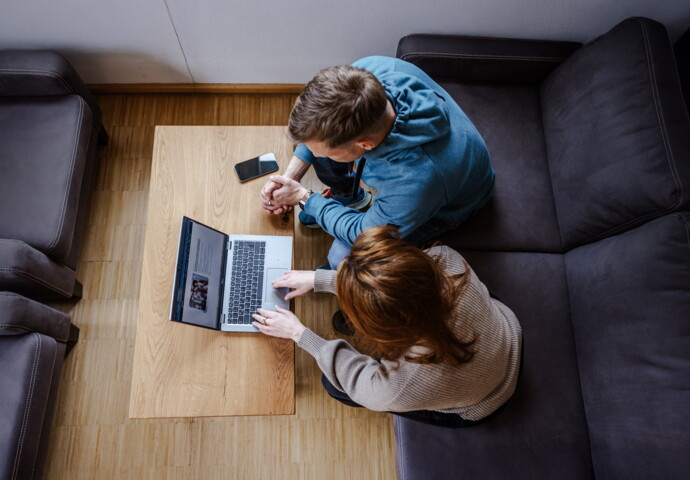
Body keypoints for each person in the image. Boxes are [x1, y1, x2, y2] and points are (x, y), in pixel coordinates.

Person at [251, 226, 522, 427]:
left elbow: (360, 381)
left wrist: (299, 334)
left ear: (383, 331)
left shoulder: (399, 387)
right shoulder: (446, 260)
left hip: (485, 401)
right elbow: (399, 287)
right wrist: (320, 279)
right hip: (506, 331)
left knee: (335, 384)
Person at [260, 56, 495, 269]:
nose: (314, 155)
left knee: (341, 257)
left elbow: (359, 232)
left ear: (365, 145)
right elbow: (319, 134)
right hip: (417, 178)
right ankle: (349, 195)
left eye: (324, 151)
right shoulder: (369, 71)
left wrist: (305, 198)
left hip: (447, 206)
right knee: (327, 157)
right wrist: (292, 176)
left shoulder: (415, 181)